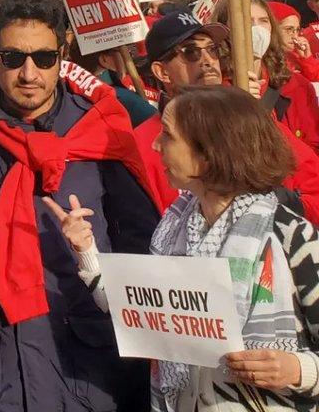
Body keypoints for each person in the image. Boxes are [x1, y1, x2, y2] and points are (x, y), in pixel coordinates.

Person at [0, 0, 160, 412]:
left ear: (63, 53)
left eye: (45, 58)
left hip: (95, 372)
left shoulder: (101, 131)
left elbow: (145, 253)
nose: (29, 73)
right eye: (14, 58)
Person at [49, 85, 319, 412]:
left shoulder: (291, 235)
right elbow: (144, 315)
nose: (155, 144)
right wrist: (86, 251)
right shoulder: (173, 229)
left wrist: (297, 369)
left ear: (208, 153)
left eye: (168, 135)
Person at [134, 5, 319, 223]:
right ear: (162, 71)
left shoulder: (250, 120)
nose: (208, 60)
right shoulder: (145, 144)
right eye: (191, 52)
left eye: (212, 49)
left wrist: (278, 205)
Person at [215, 0, 319, 151]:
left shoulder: (296, 85)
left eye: (263, 20)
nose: (257, 28)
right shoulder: (213, 89)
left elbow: (314, 145)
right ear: (225, 29)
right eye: (247, 21)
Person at [274, 3, 319, 82]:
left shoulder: (295, 56)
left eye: (297, 30)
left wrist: (307, 58)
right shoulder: (265, 60)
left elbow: (316, 77)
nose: (295, 36)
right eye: (289, 29)